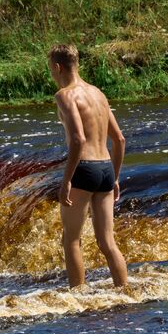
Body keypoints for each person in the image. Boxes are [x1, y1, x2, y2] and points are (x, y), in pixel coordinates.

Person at [48, 44, 127, 287]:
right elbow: (120, 139)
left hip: (84, 169)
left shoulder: (65, 95)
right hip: (104, 168)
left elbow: (78, 139)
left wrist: (66, 180)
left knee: (71, 240)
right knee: (107, 242)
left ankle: (78, 298)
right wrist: (114, 177)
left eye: (50, 68)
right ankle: (125, 293)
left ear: (58, 67)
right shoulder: (98, 93)